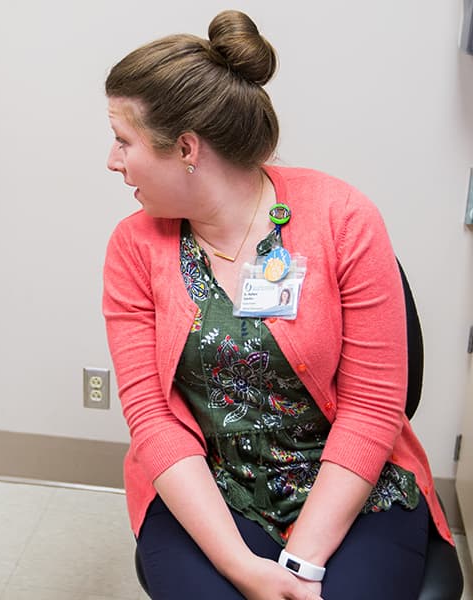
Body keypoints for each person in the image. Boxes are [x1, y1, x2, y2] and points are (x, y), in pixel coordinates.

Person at [102, 10, 452, 600]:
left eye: (122, 140)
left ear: (186, 147)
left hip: (356, 484)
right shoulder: (133, 248)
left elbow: (373, 405)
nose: (112, 161)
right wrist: (243, 568)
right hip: (213, 487)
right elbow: (154, 422)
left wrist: (301, 567)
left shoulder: (343, 219)